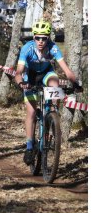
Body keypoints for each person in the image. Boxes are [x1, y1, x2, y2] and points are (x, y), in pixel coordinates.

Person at [13, 20, 82, 166]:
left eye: (44, 38)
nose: (40, 41)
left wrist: (75, 83)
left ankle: (52, 114)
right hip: (30, 77)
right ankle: (30, 147)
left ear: (48, 38)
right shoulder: (27, 48)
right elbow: (19, 72)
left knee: (54, 83)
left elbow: (67, 70)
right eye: (37, 37)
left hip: (46, 74)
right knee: (31, 113)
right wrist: (21, 83)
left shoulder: (53, 48)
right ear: (34, 38)